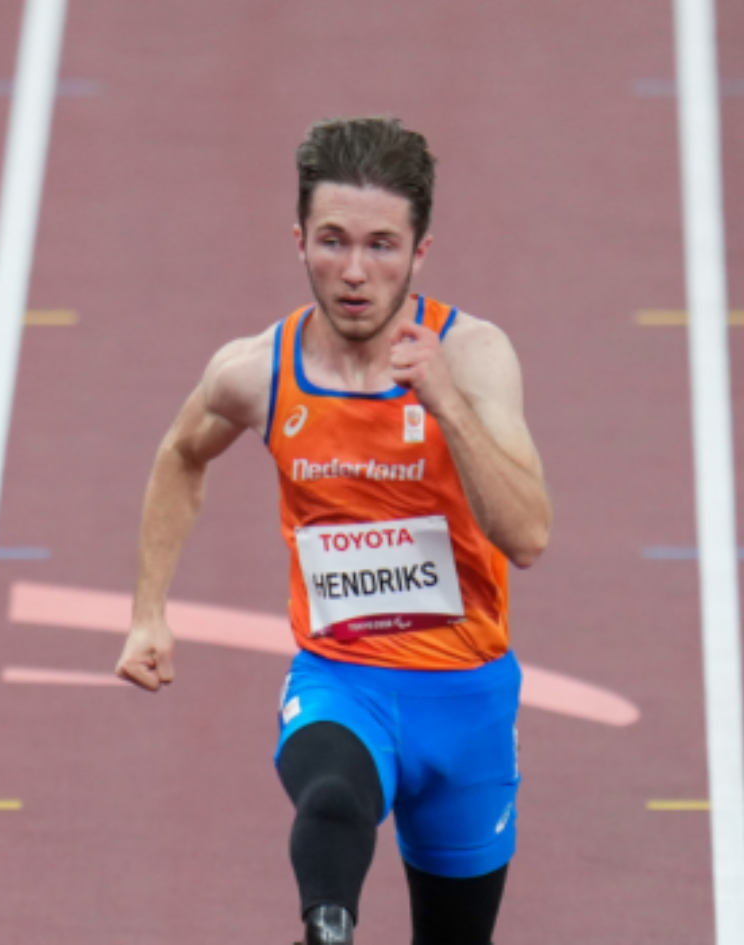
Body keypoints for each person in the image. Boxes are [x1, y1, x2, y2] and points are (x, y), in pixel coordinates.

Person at [115, 117, 550, 945]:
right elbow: (180, 454)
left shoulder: (477, 356)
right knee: (333, 805)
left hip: (468, 702)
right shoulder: (256, 371)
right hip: (341, 681)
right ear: (299, 241)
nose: (355, 272)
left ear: (421, 252)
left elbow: (527, 537)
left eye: (383, 245)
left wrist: (448, 406)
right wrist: (148, 610)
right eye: (333, 241)